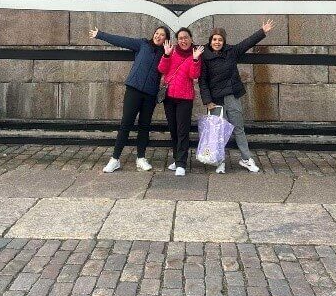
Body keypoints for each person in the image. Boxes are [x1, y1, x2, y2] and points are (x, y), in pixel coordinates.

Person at [89, 24, 170, 173]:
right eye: (157, 33)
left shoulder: (166, 53)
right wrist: (100, 34)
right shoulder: (142, 44)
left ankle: (141, 158)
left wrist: (167, 54)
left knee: (144, 125)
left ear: (166, 39)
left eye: (162, 35)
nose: (158, 36)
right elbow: (121, 40)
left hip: (150, 93)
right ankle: (115, 159)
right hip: (134, 89)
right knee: (126, 123)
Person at [199, 19, 275, 174]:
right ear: (210, 40)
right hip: (216, 101)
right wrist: (207, 101)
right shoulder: (204, 57)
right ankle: (219, 161)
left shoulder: (231, 52)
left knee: (239, 128)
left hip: (232, 96)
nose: (217, 42)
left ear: (224, 41)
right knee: (217, 132)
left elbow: (246, 43)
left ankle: (246, 158)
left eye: (220, 40)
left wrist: (262, 31)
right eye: (214, 39)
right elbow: (202, 81)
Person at [158, 28, 204, 177]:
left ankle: (182, 163)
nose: (183, 41)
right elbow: (162, 69)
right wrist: (165, 54)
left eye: (186, 38)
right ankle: (177, 158)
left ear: (191, 38)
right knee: (173, 129)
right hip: (169, 96)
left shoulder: (195, 54)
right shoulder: (171, 51)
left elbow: (194, 75)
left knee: (183, 131)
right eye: (180, 38)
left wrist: (196, 59)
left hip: (185, 98)